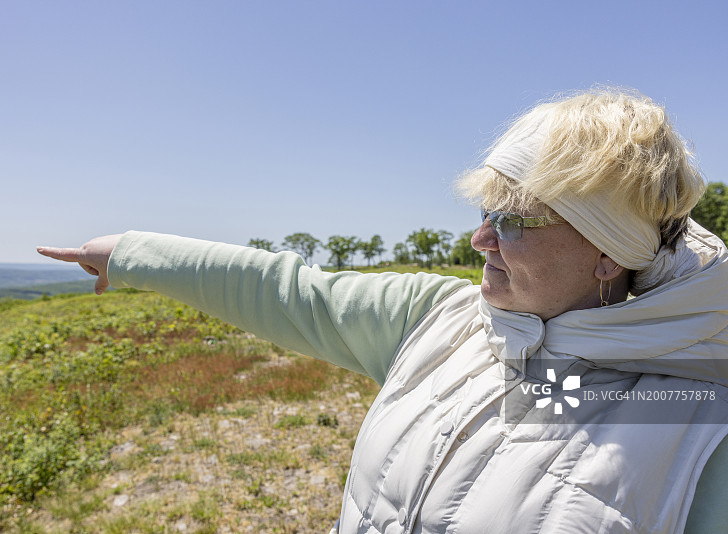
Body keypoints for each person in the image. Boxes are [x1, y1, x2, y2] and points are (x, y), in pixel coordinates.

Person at [38, 88, 728, 534]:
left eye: (514, 220)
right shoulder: (442, 319)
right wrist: (131, 252)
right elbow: (290, 291)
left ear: (608, 251)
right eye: (485, 210)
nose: (480, 238)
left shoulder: (698, 420)